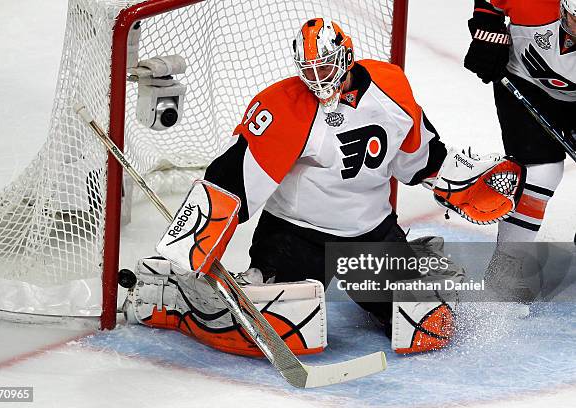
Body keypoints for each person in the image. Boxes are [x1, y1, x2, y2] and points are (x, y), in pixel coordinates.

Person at [124, 18, 523, 356]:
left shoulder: (391, 88)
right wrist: (193, 245)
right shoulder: (286, 106)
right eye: (308, 70)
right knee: (283, 330)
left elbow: (416, 156)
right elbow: (233, 178)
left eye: (325, 67)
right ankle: (173, 296)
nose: (317, 79)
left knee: (428, 326)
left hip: (369, 236)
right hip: (295, 238)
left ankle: (410, 264)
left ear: (346, 56)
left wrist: (455, 181)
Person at [464, 0, 575, 301]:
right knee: (540, 172)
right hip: (526, 82)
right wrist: (489, 34)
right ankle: (507, 266)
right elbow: (489, 4)